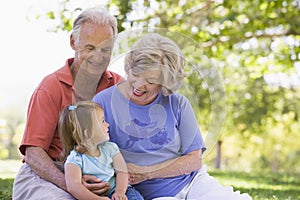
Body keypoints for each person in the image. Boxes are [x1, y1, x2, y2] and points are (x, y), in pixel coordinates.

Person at [92, 33, 252, 200]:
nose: (139, 85)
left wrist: (147, 172)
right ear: (128, 67)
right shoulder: (103, 102)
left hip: (192, 183)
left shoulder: (178, 103)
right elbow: (91, 150)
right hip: (153, 195)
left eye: (151, 81)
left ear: (166, 82)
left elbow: (194, 160)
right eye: (136, 74)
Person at [13, 7, 124, 199]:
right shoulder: (50, 87)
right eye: (90, 48)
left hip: (101, 173)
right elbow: (33, 153)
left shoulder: (118, 86)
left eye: (105, 49)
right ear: (74, 42)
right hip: (48, 174)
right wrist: (73, 184)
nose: (98, 57)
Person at [58, 101, 144, 200]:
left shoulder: (111, 148)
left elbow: (122, 172)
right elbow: (74, 186)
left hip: (119, 190)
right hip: (92, 197)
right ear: (88, 134)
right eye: (102, 121)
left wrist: (119, 192)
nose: (107, 125)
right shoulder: (75, 159)